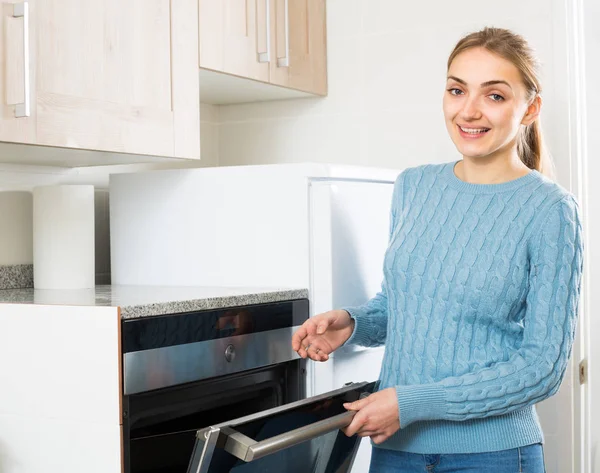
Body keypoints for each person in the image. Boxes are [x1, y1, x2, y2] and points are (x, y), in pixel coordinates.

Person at [291, 26, 584, 473]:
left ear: (530, 109)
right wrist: (353, 324)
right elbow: (406, 308)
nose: (469, 111)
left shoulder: (550, 210)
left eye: (495, 96)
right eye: (456, 90)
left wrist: (411, 402)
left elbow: (542, 368)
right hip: (396, 451)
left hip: (494, 456)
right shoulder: (414, 186)